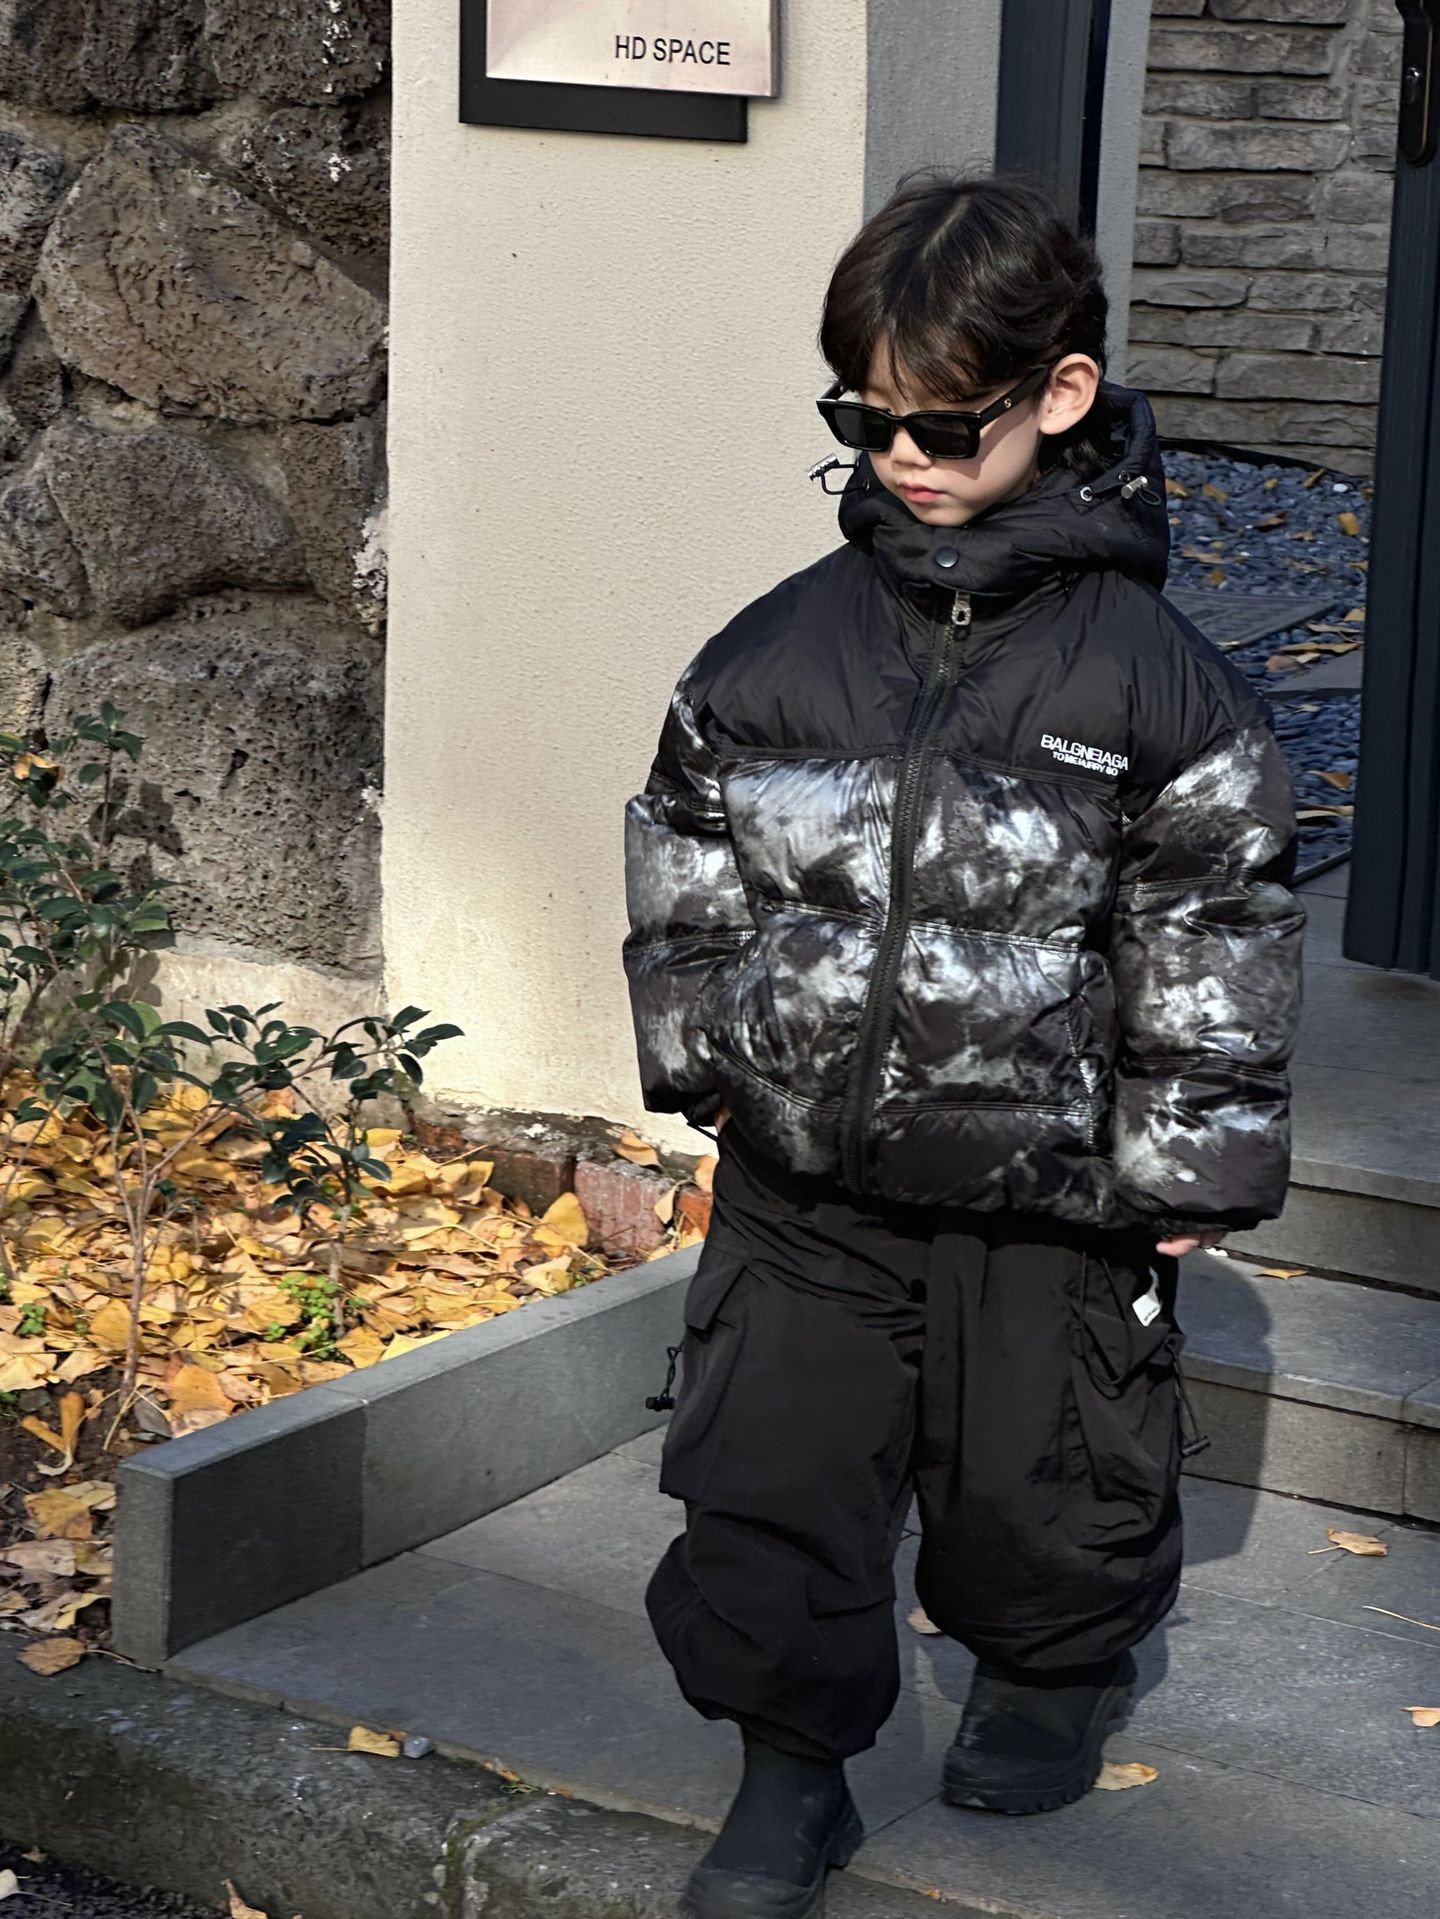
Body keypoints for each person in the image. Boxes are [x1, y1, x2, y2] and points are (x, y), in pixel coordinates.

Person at [620, 168, 1305, 1919]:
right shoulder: (777, 647)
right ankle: (790, 1772)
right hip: (806, 1186)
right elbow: (685, 852)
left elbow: (1215, 918)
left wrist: (1187, 1158)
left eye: (943, 423)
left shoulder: (1156, 684)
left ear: (1061, 395)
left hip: (1045, 1190)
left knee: (1043, 1477)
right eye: (864, 420)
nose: (903, 457)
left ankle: (1049, 1672)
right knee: (769, 1477)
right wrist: (711, 1056)